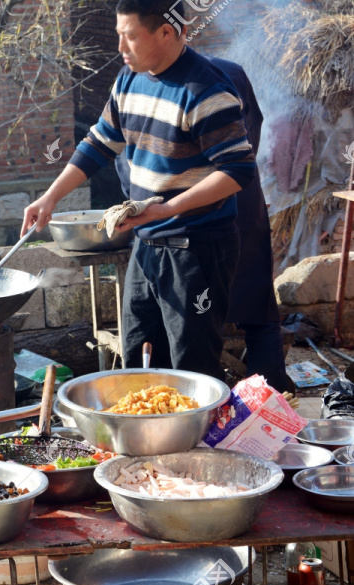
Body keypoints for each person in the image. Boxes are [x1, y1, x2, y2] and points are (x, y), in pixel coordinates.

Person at [21, 0, 257, 380]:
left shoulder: (205, 89)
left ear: (166, 32)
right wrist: (50, 196)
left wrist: (169, 208)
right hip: (146, 246)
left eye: (129, 36)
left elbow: (237, 170)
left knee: (192, 369)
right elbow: (99, 143)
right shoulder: (129, 79)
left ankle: (195, 440)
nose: (120, 47)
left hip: (196, 249)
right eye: (119, 35)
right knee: (139, 359)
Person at [114, 56, 288, 391]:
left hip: (193, 230)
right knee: (258, 310)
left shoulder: (167, 90)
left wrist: (146, 205)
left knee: (190, 338)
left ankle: (217, 412)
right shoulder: (228, 73)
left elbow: (130, 169)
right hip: (240, 207)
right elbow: (250, 138)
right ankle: (273, 398)